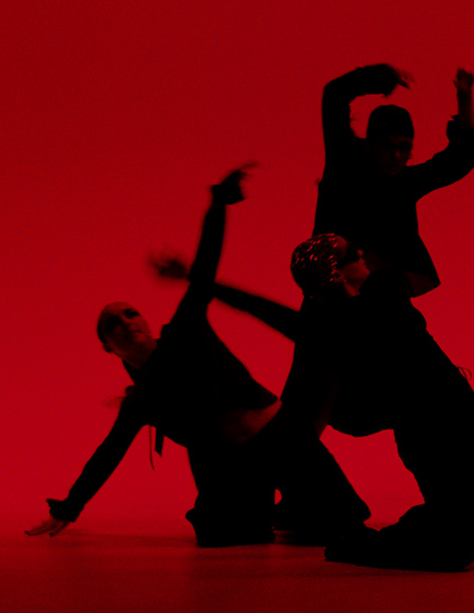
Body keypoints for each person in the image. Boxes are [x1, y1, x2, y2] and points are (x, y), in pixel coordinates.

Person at [26, 167, 369, 546]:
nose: (125, 323)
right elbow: (109, 453)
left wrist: (217, 206)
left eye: (130, 314)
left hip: (281, 436)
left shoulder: (184, 330)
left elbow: (205, 268)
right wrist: (70, 507)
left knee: (344, 524)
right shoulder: (140, 400)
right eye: (112, 324)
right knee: (223, 536)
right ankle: (273, 510)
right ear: (108, 347)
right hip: (230, 464)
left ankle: (297, 507)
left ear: (145, 322)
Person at [174, 232, 474, 571]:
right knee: (458, 537)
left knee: (473, 516)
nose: (361, 253)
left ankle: (410, 534)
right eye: (351, 253)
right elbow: (267, 311)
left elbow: (269, 314)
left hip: (464, 439)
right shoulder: (349, 324)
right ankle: (399, 537)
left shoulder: (350, 321)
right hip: (453, 443)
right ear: (336, 273)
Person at [313, 62, 474, 297]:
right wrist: (383, 76)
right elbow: (334, 95)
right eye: (387, 146)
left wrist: (465, 98)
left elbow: (459, 158)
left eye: (404, 147)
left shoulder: (405, 183)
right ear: (370, 145)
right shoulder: (345, 164)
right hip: (331, 293)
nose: (396, 156)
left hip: (385, 295)